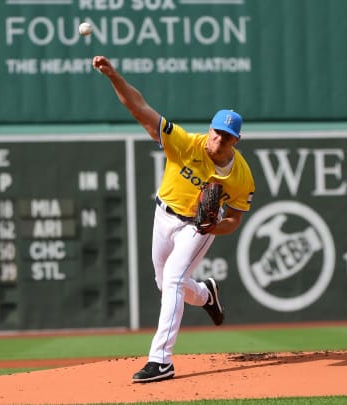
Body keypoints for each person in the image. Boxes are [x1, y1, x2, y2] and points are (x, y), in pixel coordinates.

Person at [92, 55, 255, 383]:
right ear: (209, 129)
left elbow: (235, 219)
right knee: (164, 283)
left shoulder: (241, 177)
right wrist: (113, 76)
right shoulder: (184, 143)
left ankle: (161, 360)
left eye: (226, 136)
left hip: (197, 227)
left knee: (174, 281)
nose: (218, 139)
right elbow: (140, 108)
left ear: (235, 141)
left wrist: (214, 227)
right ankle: (207, 294)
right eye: (216, 132)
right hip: (164, 215)